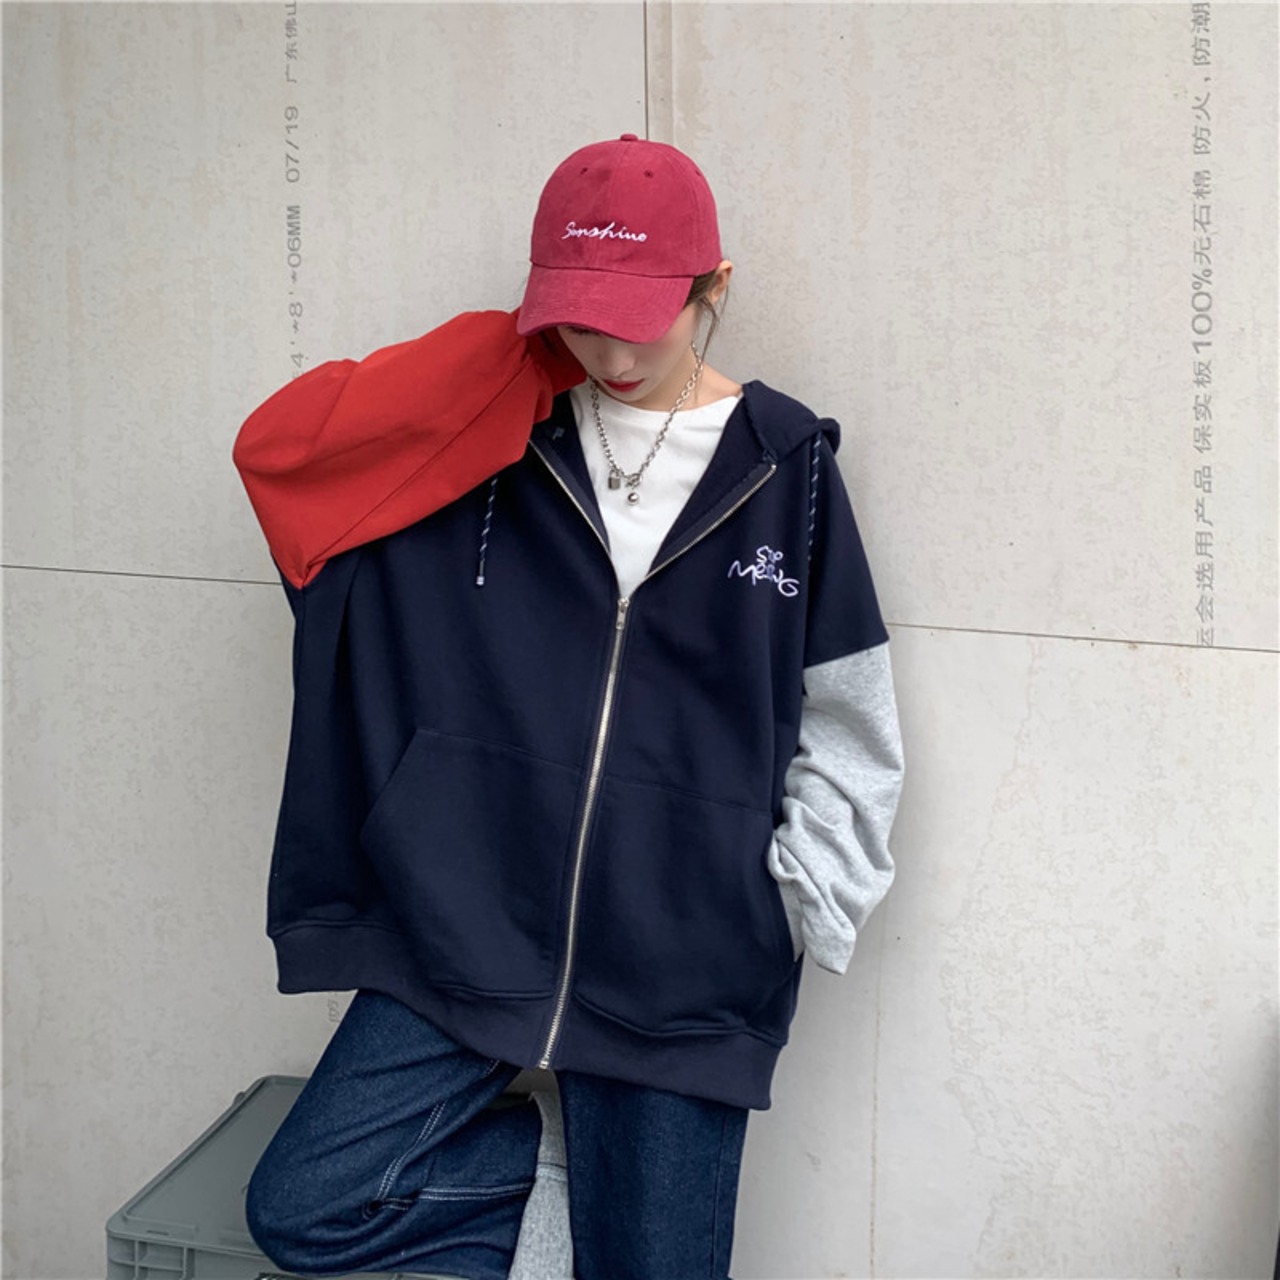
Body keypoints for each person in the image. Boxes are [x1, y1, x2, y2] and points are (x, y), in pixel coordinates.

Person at [233, 133, 904, 1280]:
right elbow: (286, 457)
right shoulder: (498, 442)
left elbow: (846, 710)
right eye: (581, 319)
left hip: (681, 969)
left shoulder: (783, 467)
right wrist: (502, 362)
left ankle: (608, 1198)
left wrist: (787, 905)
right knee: (306, 1204)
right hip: (464, 929)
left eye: (640, 316)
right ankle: (566, 1172)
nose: (611, 351)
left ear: (713, 287)